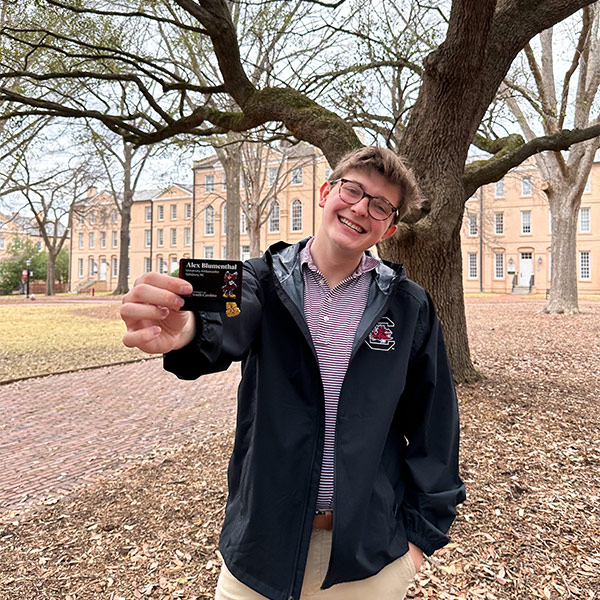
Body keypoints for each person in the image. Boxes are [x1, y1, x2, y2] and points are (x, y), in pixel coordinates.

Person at [120, 146, 466, 600]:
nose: (361, 207)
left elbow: (434, 428)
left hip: (368, 559)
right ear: (326, 192)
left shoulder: (408, 305)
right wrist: (188, 329)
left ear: (390, 227)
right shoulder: (260, 279)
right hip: (262, 552)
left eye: (380, 205)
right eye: (353, 190)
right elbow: (229, 318)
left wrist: (419, 542)